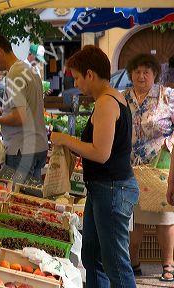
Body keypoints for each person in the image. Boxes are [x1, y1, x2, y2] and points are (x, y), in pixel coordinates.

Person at [50, 45, 139, 288]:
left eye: (77, 77)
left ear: (90, 74)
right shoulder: (111, 99)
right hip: (104, 189)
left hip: (112, 190)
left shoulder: (107, 103)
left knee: (116, 265)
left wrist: (65, 139)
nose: (76, 84)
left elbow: (101, 153)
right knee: (92, 256)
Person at [124, 54, 174, 282]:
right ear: (130, 74)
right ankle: (133, 262)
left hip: (159, 165)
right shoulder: (124, 98)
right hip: (130, 165)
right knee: (136, 218)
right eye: (137, 71)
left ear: (155, 74)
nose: (141, 75)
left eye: (146, 71)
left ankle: (168, 265)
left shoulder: (167, 95)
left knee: (164, 217)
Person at [0, 34, 48, 180]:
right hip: (39, 146)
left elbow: (19, 117)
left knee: (20, 199)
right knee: (33, 201)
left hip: (21, 150)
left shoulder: (14, 74)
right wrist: (4, 110)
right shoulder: (30, 70)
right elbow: (29, 107)